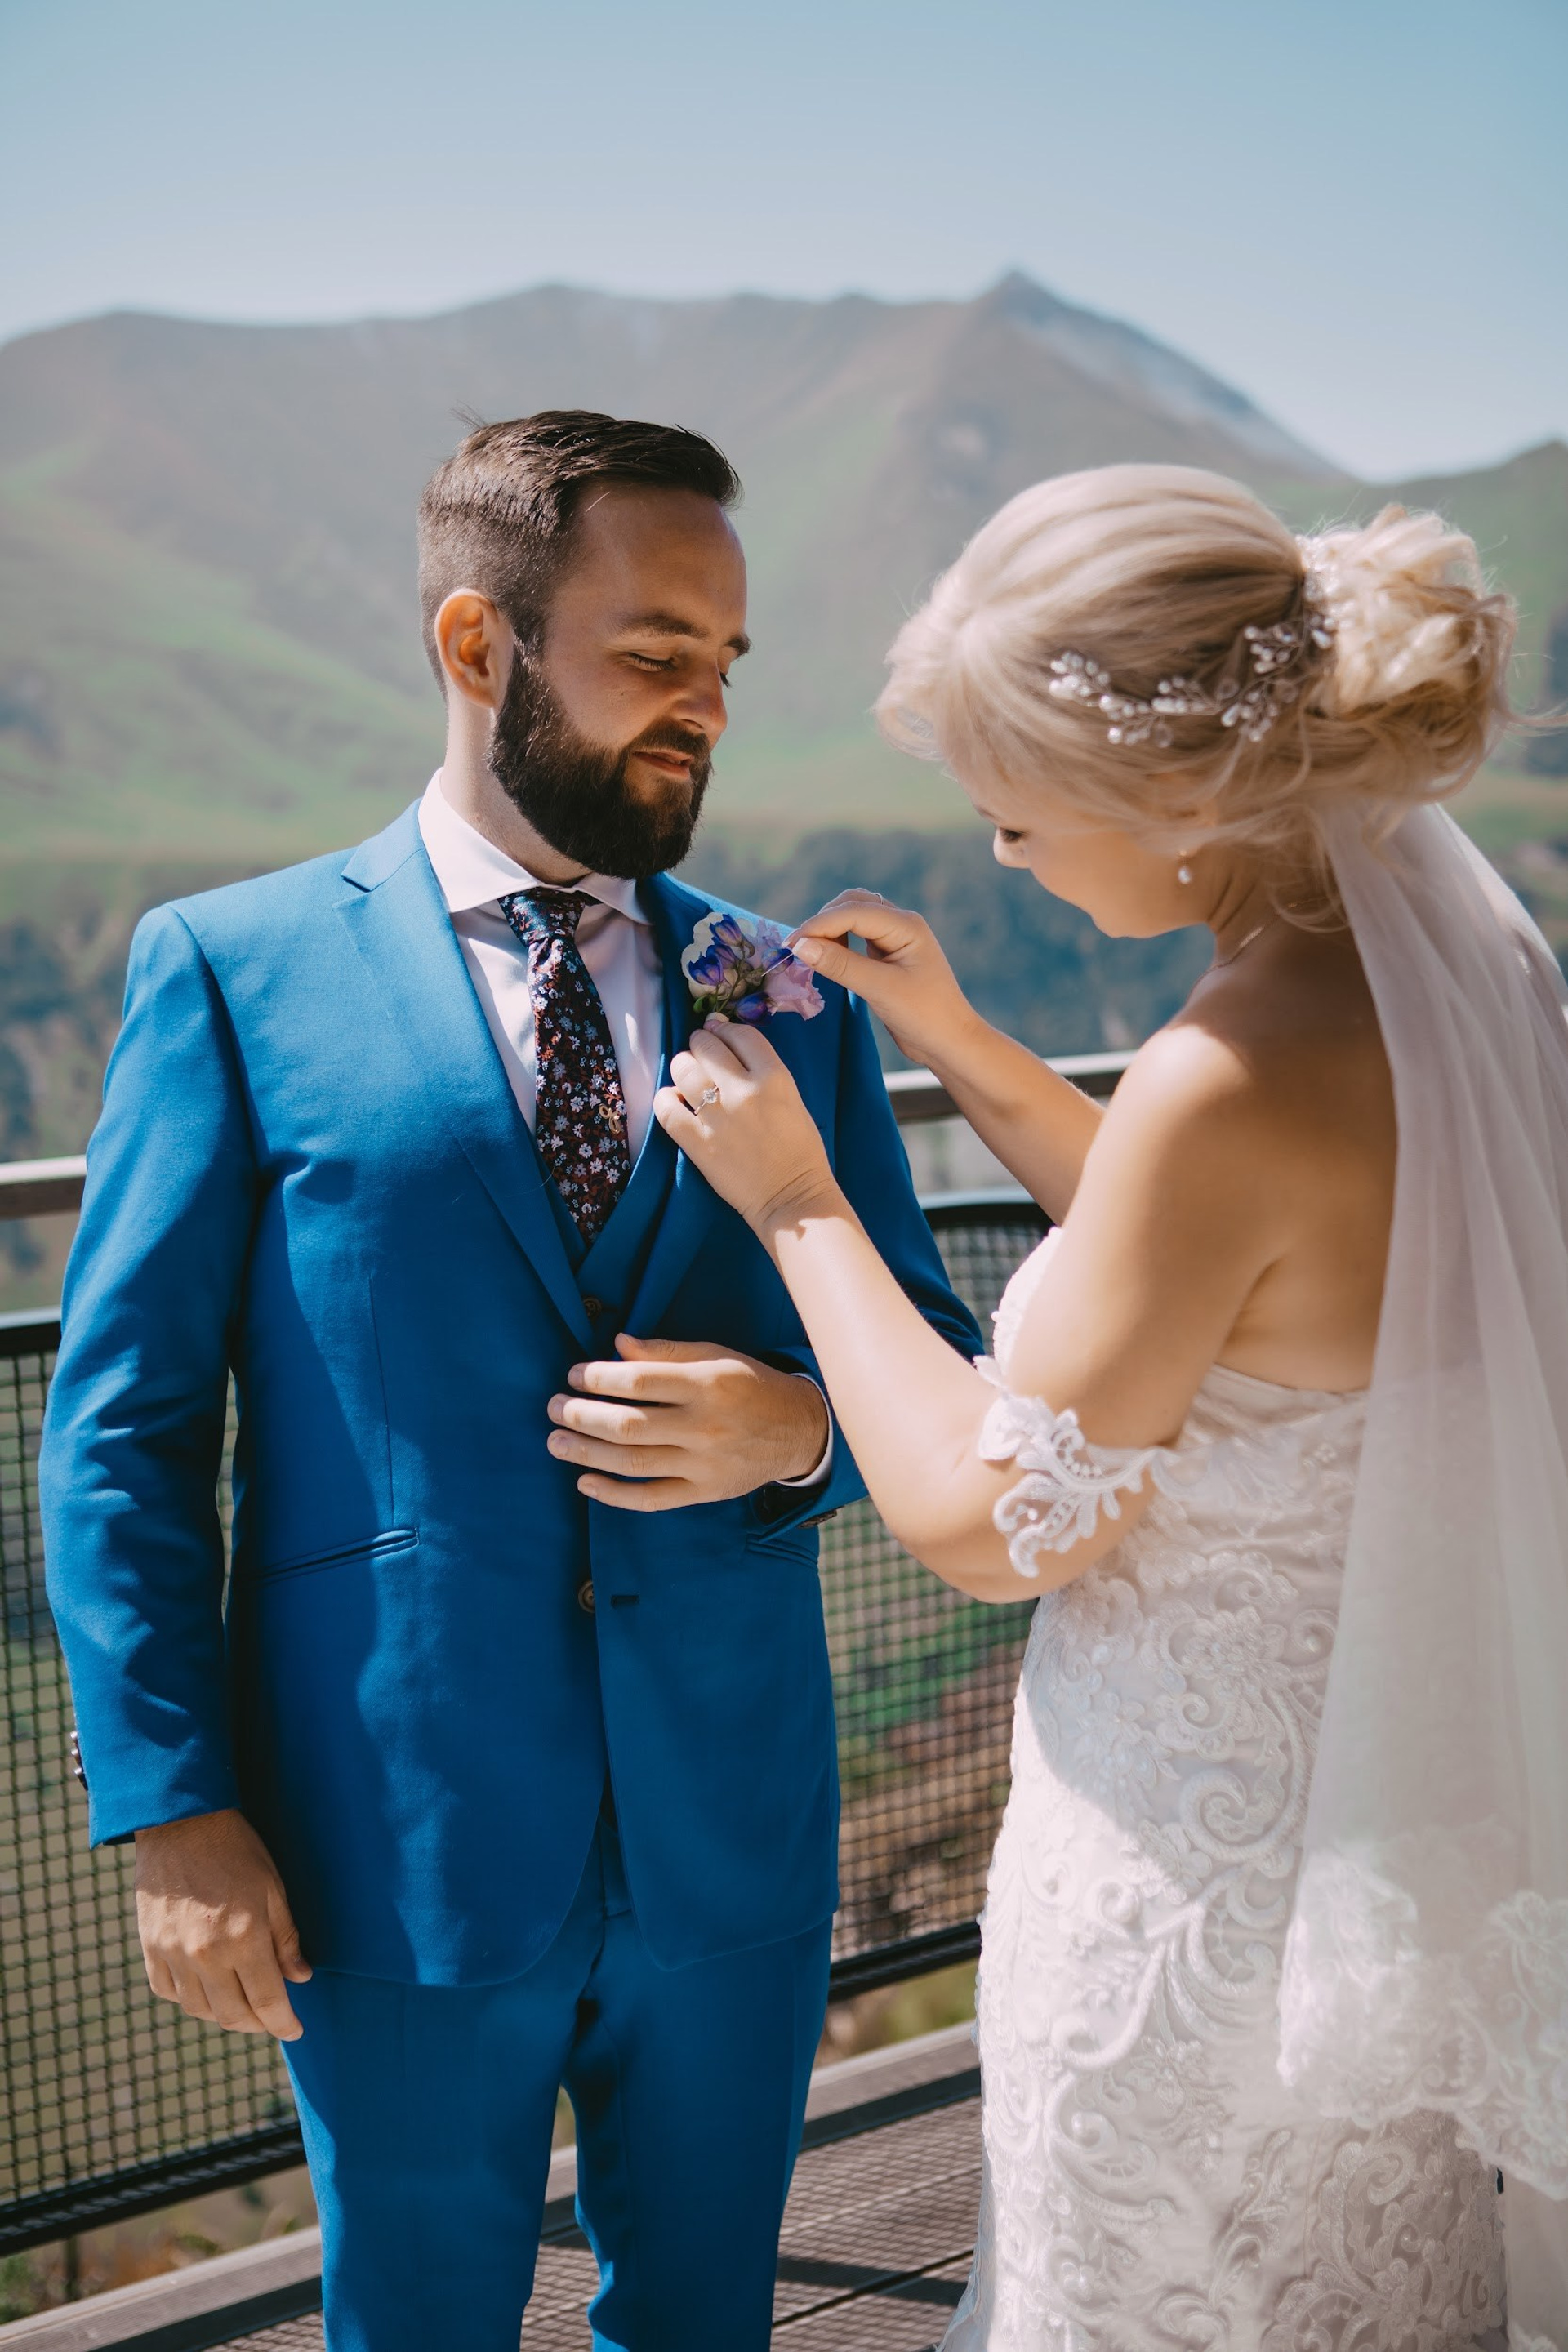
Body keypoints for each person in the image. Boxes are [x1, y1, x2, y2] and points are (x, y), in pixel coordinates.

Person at [39, 410, 981, 2352]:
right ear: (480, 647)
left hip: (732, 1818)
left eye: (726, 667)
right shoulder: (231, 968)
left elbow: (933, 1361)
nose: (702, 709)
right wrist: (171, 1811)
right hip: (386, 1836)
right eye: (654, 658)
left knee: (712, 2322)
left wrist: (796, 1430)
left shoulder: (775, 985)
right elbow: (125, 1428)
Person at [656, 464, 1568, 2345]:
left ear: (1168, 797)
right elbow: (1243, 1289)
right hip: (1373, 1884)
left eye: (1015, 819)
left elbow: (998, 1525)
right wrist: (969, 1044)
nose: (1005, 851)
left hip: (1188, 1911)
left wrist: (800, 1205)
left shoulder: (1223, 1076)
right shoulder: (1448, 986)